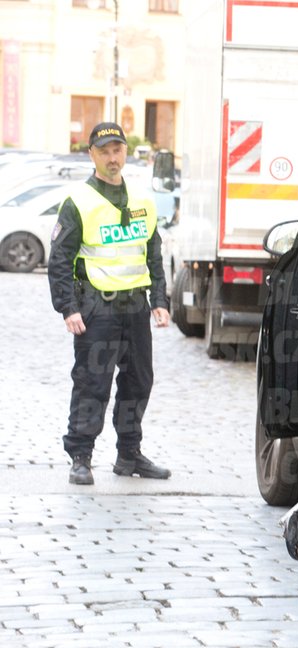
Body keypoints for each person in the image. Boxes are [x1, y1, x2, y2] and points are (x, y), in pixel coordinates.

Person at [48, 122, 172, 486]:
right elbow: (59, 260)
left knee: (139, 383)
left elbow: (153, 253)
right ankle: (81, 456)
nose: (112, 157)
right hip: (96, 309)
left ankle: (129, 455)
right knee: (92, 383)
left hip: (135, 309)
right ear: (92, 155)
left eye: (117, 150)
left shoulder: (142, 202)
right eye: (104, 151)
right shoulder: (78, 202)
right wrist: (68, 307)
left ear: (125, 153)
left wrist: (159, 300)